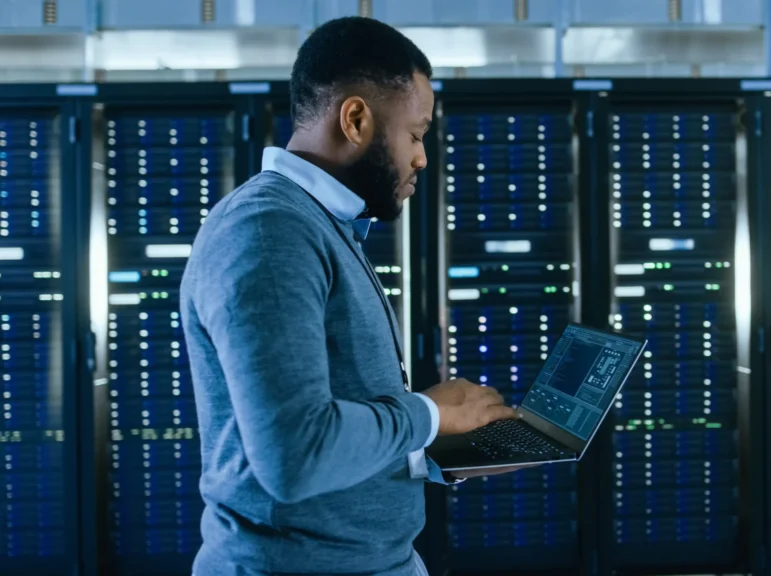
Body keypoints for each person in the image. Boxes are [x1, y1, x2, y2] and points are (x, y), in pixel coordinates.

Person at [181, 16, 524, 576]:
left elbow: (340, 421)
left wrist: (440, 449)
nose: (422, 158)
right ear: (356, 119)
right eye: (415, 135)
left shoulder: (322, 224)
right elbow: (294, 454)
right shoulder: (268, 232)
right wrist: (431, 413)